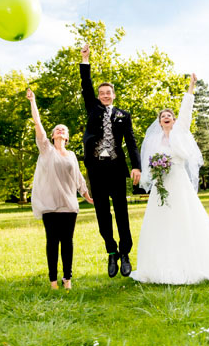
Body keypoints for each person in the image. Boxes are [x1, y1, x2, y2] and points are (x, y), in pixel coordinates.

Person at [130, 73, 209, 284]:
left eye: (169, 115)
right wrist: (155, 170)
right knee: (160, 224)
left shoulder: (180, 132)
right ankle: (158, 267)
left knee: (184, 219)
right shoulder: (153, 141)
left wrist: (191, 87)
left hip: (179, 183)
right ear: (160, 122)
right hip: (162, 185)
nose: (166, 117)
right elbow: (149, 163)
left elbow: (186, 110)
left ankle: (191, 263)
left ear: (174, 119)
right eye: (163, 116)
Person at [80, 44, 141, 278]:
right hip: (96, 169)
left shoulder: (123, 115)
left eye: (109, 93)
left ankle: (125, 253)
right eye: (102, 93)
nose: (105, 95)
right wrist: (85, 60)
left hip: (116, 168)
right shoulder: (93, 109)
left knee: (122, 212)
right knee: (102, 214)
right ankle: (112, 252)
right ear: (98, 96)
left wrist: (136, 166)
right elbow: (85, 85)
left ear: (114, 95)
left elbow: (131, 142)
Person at [27, 88, 94, 290]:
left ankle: (68, 279)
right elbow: (38, 124)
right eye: (57, 128)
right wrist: (33, 101)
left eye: (63, 129)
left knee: (68, 243)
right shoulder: (46, 150)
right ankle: (53, 282)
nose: (59, 130)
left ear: (67, 137)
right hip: (49, 205)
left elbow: (78, 178)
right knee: (52, 243)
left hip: (69, 205)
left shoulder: (72, 155)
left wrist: (86, 194)